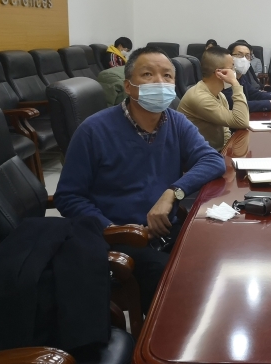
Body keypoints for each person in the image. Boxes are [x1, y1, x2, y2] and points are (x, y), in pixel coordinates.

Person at [54, 47, 225, 309]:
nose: (160, 82)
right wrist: (116, 230)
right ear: (129, 86)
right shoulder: (93, 130)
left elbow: (213, 160)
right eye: (148, 74)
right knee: (177, 285)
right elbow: (68, 196)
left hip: (164, 230)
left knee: (217, 259)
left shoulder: (176, 122)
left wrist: (172, 193)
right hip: (116, 236)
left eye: (167, 76)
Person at [179, 47, 250, 151]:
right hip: (198, 156)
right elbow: (242, 121)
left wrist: (227, 151)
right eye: (232, 67)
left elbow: (225, 130)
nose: (234, 71)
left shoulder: (219, 95)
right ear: (220, 73)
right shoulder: (200, 98)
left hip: (215, 152)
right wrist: (235, 83)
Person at [227, 41, 271, 112]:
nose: (244, 59)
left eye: (247, 56)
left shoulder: (241, 76)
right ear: (229, 57)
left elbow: (255, 94)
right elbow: (234, 105)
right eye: (239, 55)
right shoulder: (225, 77)